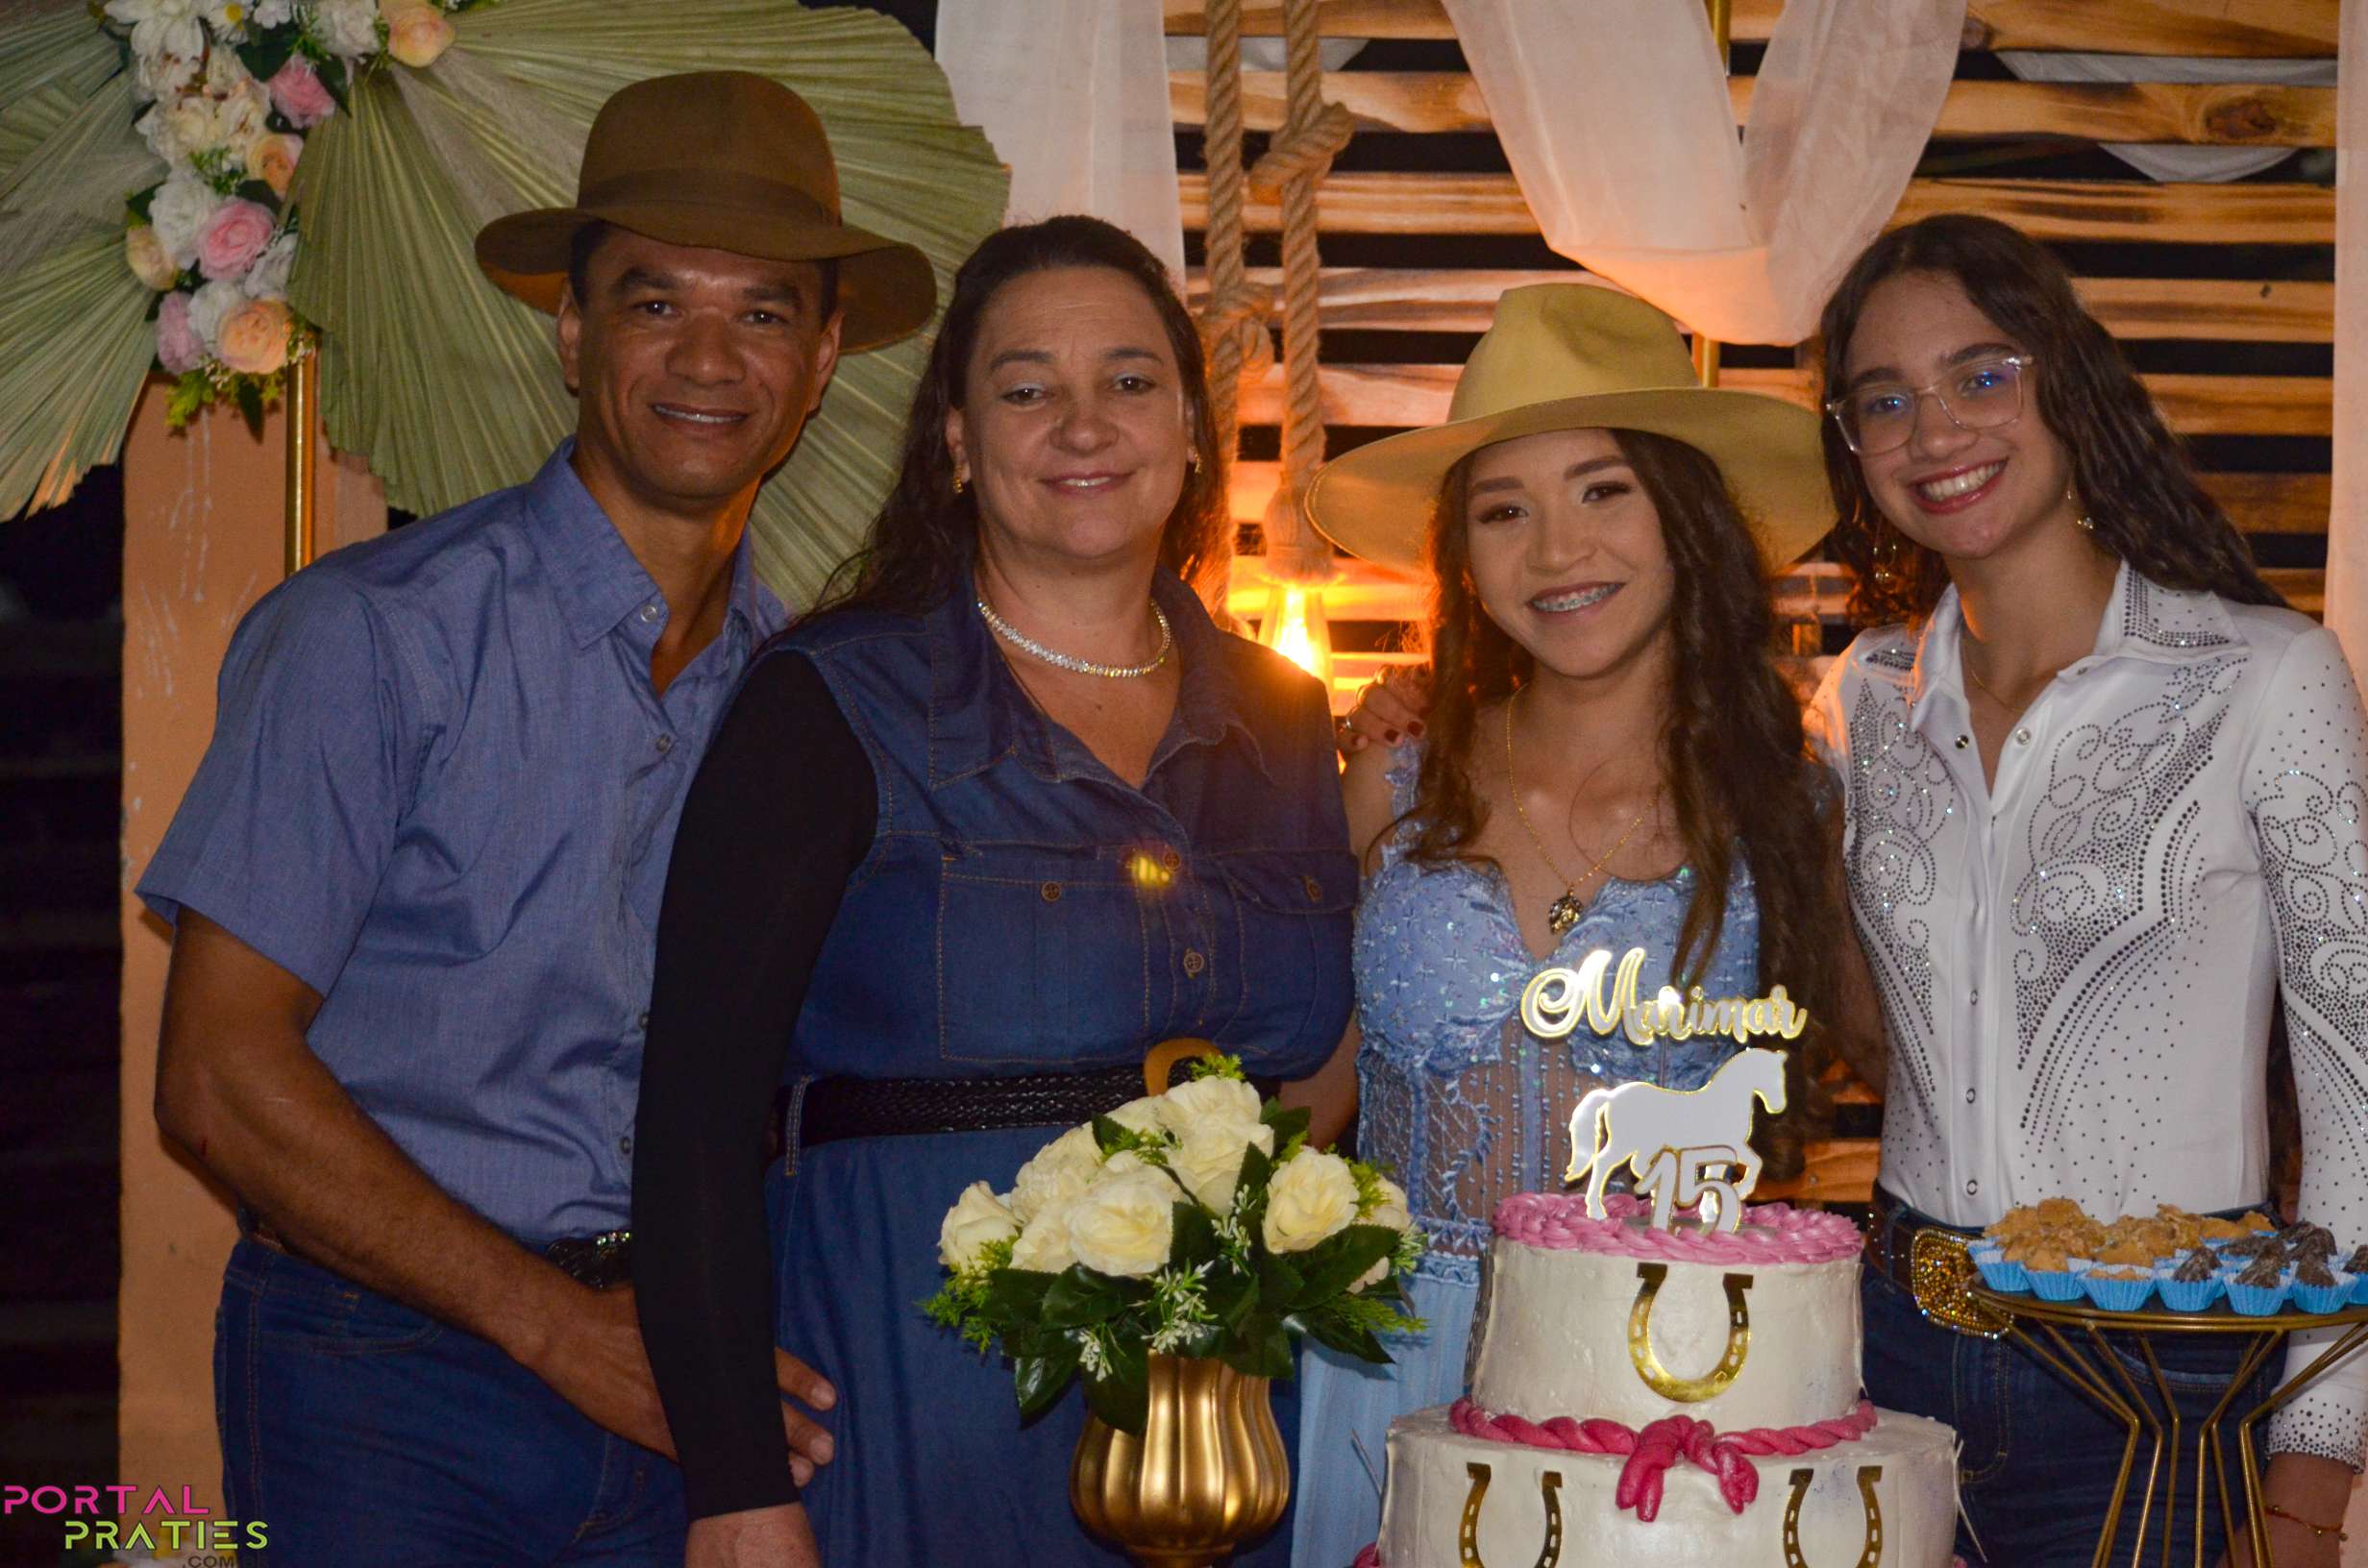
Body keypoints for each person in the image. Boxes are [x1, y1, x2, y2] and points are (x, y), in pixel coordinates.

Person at [139, 72, 940, 1564]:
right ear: (573, 332)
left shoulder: (812, 702)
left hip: (693, 1370)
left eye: (764, 312)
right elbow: (217, 1078)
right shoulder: (374, 634)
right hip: (384, 1375)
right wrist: (553, 1327)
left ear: (823, 358)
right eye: (655, 302)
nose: (708, 357)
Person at [629, 214, 1355, 1568]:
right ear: (958, 442)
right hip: (913, 1395)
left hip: (1228, 1424)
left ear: (1192, 431)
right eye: (1027, 390)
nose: (1084, 424)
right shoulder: (826, 701)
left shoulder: (1288, 717)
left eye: (1130, 381)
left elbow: (1322, 1085)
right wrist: (733, 1485)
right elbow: (692, 1120)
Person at [1283, 283, 1881, 1567]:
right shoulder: (1393, 779)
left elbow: (1887, 1059)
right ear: (1461, 555)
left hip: (1662, 1376)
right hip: (1389, 1365)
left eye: (1604, 491)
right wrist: (1151, 1234)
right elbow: (1321, 1087)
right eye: (1504, 510)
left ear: (1689, 520)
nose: (1556, 550)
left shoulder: (1790, 807)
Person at [1806, 213, 2368, 1568]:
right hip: (1891, 1358)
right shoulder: (1859, 699)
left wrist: (2316, 1463)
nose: (1935, 430)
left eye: (1980, 374)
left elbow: (2358, 1089)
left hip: (2170, 1376)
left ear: (2069, 380)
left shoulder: (2265, 676)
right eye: (1886, 400)